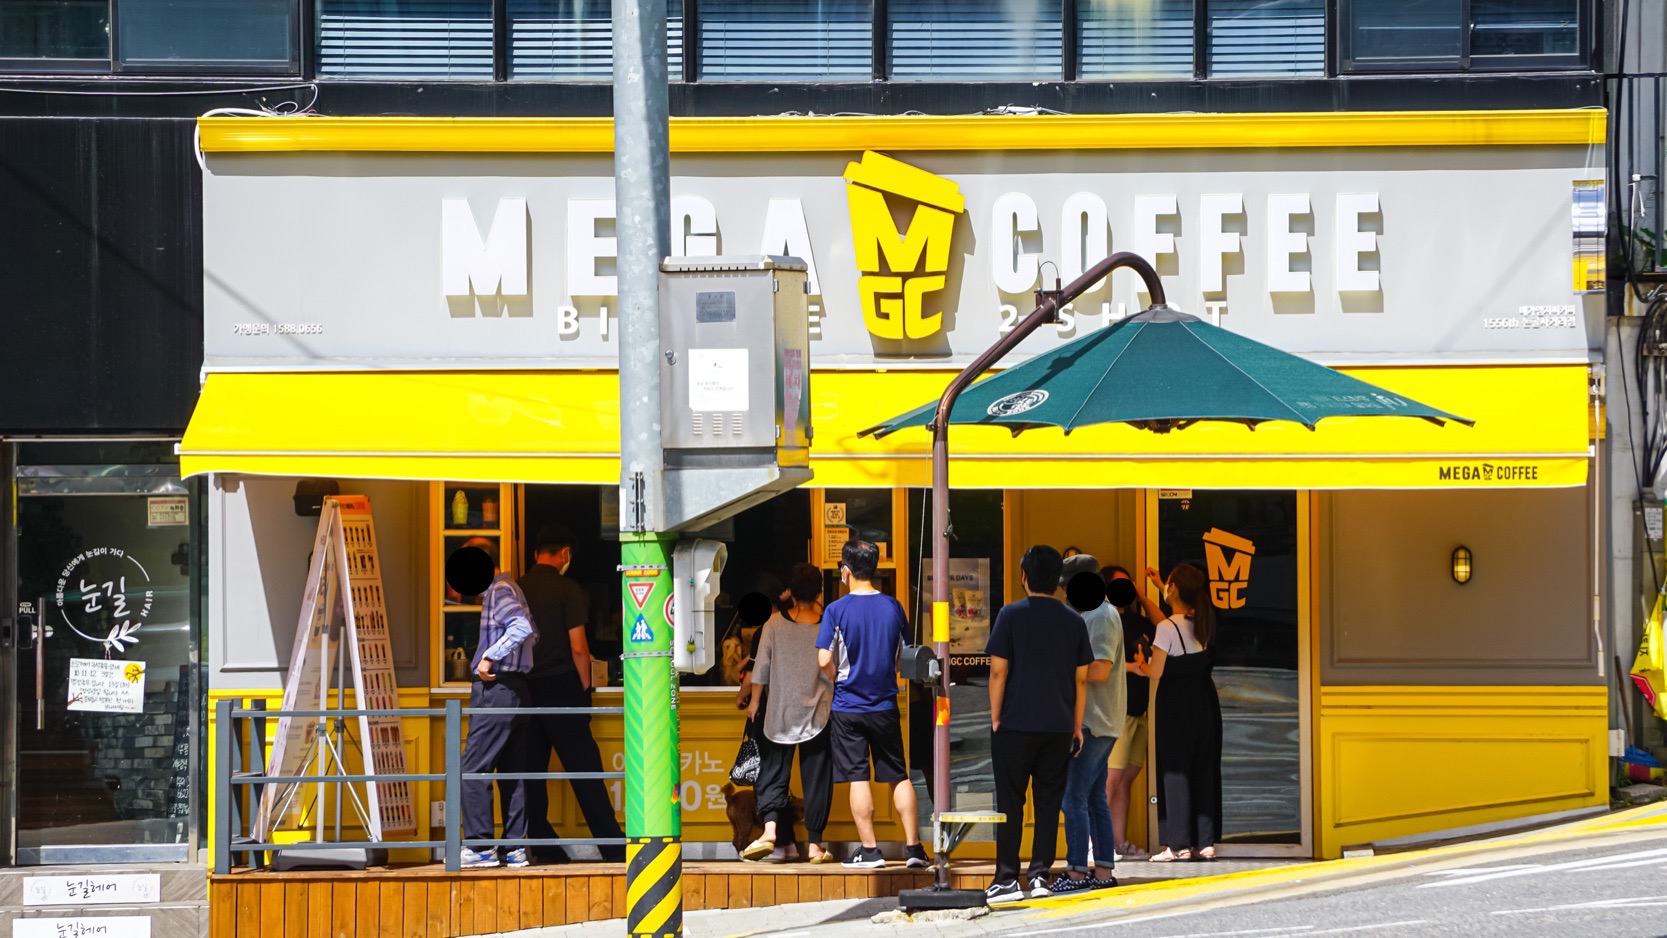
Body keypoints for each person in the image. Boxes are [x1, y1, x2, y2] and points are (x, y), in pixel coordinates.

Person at [983, 545, 1092, 906]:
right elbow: (1081, 680)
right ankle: (1040, 875)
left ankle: (1006, 879)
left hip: (1014, 725)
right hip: (1058, 726)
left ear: (1024, 577)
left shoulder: (1010, 615)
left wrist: (996, 716)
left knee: (1011, 802)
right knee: (1048, 802)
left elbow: (998, 672)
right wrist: (1076, 726)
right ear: (1058, 580)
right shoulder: (1074, 620)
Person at [816, 540, 928, 870]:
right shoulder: (894, 607)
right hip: (885, 705)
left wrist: (836, 677)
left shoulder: (836, 610)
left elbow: (823, 659)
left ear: (846, 571)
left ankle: (869, 850)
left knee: (858, 777)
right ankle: (914, 848)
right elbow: (907, 656)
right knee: (898, 775)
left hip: (848, 706)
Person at [517, 525, 626, 863]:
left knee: (531, 772)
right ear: (565, 554)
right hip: (563, 687)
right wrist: (584, 689)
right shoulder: (568, 589)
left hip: (525, 689)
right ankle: (612, 846)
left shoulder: (517, 588)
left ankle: (542, 845)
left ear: (536, 554)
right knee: (585, 770)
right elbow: (579, 648)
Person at [742, 563, 835, 864]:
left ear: (791, 592)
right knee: (817, 777)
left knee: (773, 773)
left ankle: (770, 831)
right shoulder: (827, 625)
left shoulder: (773, 624)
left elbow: (761, 669)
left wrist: (755, 702)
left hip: (779, 712)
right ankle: (815, 844)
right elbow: (835, 667)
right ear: (818, 592)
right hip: (819, 714)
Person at [1135, 563, 1222, 863]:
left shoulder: (1165, 629)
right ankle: (1205, 842)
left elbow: (1156, 671)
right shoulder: (1202, 621)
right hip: (1203, 701)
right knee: (1202, 768)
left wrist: (1140, 664)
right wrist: (1163, 586)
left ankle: (1178, 845)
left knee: (1175, 771)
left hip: (1174, 704)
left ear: (1173, 590)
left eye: (1169, 584)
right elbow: (1179, 612)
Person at [459, 539, 538, 869]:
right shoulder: (513, 588)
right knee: (512, 772)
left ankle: (480, 847)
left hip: (496, 689)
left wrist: (489, 656)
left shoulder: (498, 590)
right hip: (517, 690)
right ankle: (515, 848)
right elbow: (533, 633)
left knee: (472, 768)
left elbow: (522, 628)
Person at [1052, 553, 1123, 894]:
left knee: (1073, 797)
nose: (1065, 593)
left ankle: (1077, 872)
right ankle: (1104, 871)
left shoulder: (1099, 615)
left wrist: (1058, 666)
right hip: (1101, 719)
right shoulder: (1098, 612)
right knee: (1094, 798)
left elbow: (1100, 669)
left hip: (1094, 721)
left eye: (1067, 586)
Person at [1104, 565, 1155, 861]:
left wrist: (1144, 597)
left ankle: (1118, 842)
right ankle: (1096, 845)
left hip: (1139, 711)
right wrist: (1133, 667)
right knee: (1110, 780)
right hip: (1117, 712)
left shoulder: (1138, 621)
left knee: (1126, 778)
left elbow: (1164, 628)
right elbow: (1096, 666)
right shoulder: (1102, 621)